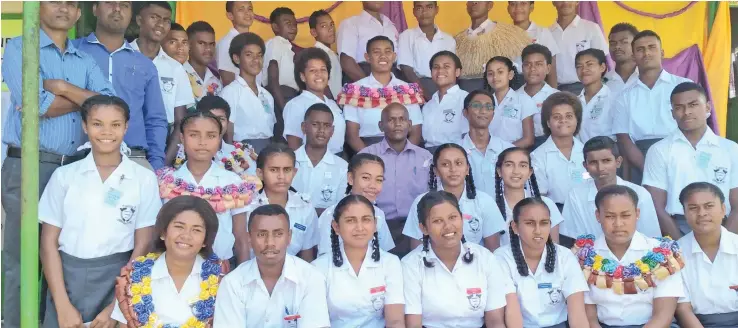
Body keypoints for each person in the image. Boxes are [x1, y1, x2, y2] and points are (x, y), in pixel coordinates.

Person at [1, 3, 115, 326]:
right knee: (21, 258)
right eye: (55, 0)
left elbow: (107, 105)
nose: (64, 7)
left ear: (80, 15)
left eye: (71, 3)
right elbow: (37, 104)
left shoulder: (84, 58)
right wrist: (83, 99)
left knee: (61, 257)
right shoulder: (20, 47)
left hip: (75, 168)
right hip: (30, 167)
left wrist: (62, 87)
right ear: (37, 8)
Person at [38, 95, 160, 328]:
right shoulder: (65, 176)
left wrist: (117, 306)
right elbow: (48, 243)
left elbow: (143, 244)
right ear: (84, 126)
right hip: (66, 281)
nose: (107, 132)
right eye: (97, 124)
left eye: (115, 124)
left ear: (126, 126)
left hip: (119, 280)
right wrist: (62, 305)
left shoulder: (143, 178)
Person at [402, 191, 522, 328]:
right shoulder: (410, 265)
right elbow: (413, 324)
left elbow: (495, 322)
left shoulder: (485, 258)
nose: (448, 226)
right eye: (437, 221)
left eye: (453, 217)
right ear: (423, 228)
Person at [73, 0, 168, 170]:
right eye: (109, 3)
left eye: (124, 5)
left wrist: (156, 165)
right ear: (95, 9)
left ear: (131, 14)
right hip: (80, 159)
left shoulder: (145, 65)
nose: (117, 9)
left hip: (134, 159)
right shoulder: (73, 52)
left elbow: (155, 120)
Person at [574, 185, 685, 328]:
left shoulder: (661, 254)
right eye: (609, 216)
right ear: (598, 216)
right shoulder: (585, 257)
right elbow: (589, 317)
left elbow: (663, 316)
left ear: (637, 213)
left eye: (625, 215)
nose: (618, 224)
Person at [156, 111, 254, 265]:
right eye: (194, 135)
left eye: (211, 136)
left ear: (219, 138)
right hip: (174, 266)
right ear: (182, 138)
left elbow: (241, 237)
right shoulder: (167, 181)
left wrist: (243, 276)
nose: (202, 142)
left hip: (221, 267)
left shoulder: (233, 182)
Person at [644, 82, 738, 239]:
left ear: (708, 107)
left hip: (725, 227)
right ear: (672, 113)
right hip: (677, 228)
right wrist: (680, 246)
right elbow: (656, 206)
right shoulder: (659, 150)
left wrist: (725, 243)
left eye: (693, 104)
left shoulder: (731, 149)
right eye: (679, 107)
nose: (686, 112)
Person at [111, 196, 224, 327]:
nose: (186, 235)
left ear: (205, 240)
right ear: (163, 232)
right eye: (179, 226)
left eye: (196, 230)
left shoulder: (221, 279)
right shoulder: (132, 278)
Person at [214, 204, 330, 328]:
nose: (270, 243)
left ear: (289, 237)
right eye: (261, 234)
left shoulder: (311, 278)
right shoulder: (233, 283)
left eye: (278, 234)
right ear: (249, 238)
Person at [612, 30, 692, 185]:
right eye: (640, 49)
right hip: (639, 158)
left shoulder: (684, 86)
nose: (646, 53)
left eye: (651, 47)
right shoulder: (624, 96)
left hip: (680, 154)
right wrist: (648, 168)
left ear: (662, 52)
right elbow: (623, 138)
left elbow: (695, 125)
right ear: (633, 56)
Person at [495, 198, 589, 328]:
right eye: (530, 223)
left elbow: (577, 314)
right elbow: (512, 312)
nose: (538, 230)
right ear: (515, 227)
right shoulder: (501, 258)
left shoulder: (565, 257)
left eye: (544, 223)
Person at [312, 195, 405, 328]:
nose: (359, 228)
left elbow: (395, 321)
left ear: (375, 225)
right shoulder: (318, 268)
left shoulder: (390, 263)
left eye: (366, 220)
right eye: (350, 221)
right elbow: (318, 323)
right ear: (336, 227)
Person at [359, 103, 433, 257]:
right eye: (391, 120)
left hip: (416, 227)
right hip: (378, 225)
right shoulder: (366, 156)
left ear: (410, 124)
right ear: (381, 126)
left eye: (402, 119)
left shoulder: (426, 157)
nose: (398, 124)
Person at [403, 143, 506, 252]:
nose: (453, 169)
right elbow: (416, 251)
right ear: (436, 171)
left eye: (459, 163)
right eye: (445, 164)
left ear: (467, 169)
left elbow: (493, 251)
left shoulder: (484, 201)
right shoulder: (421, 202)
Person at [562, 137, 661, 245]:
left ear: (618, 162)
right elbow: (577, 240)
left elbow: (651, 238)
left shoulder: (640, 194)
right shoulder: (576, 196)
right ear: (585, 166)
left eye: (606, 161)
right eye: (593, 162)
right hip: (591, 258)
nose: (600, 168)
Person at [340, 36, 424, 151]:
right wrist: (370, 159)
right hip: (367, 150)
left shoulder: (408, 90)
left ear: (394, 57)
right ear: (367, 57)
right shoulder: (354, 90)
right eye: (376, 52)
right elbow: (352, 136)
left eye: (388, 52)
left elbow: (416, 133)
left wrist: (402, 156)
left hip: (403, 150)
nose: (383, 56)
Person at [674, 182, 738, 327]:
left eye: (709, 206)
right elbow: (683, 308)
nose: (702, 213)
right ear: (684, 213)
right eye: (693, 208)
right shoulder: (675, 252)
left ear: (723, 209)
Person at [245, 144, 320, 262]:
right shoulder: (247, 206)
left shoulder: (305, 207)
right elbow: (242, 250)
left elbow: (307, 255)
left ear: (294, 172)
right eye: (274, 170)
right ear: (260, 173)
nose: (281, 176)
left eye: (287, 170)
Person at [131, 2, 195, 133]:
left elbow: (180, 123)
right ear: (139, 20)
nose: (160, 24)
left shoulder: (176, 68)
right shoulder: (122, 58)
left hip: (164, 141)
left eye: (166, 20)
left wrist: (167, 154)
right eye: (154, 17)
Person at [317, 153, 395, 257]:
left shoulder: (379, 214)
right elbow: (325, 258)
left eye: (379, 180)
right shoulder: (330, 214)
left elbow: (386, 253)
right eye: (366, 178)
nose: (373, 185)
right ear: (350, 178)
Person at [168, 96, 258, 181]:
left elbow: (253, 185)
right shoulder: (182, 153)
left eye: (221, 119)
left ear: (228, 122)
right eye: (211, 118)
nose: (216, 124)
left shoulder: (242, 153)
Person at [455, 1, 530, 92]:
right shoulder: (457, 40)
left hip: (499, 94)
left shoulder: (510, 34)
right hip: (466, 94)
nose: (474, 2)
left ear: (489, 5)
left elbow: (520, 72)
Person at [494, 147, 563, 245]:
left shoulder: (546, 204)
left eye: (522, 165)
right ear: (499, 171)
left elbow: (554, 247)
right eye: (509, 165)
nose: (516, 171)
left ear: (530, 172)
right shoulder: (490, 205)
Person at [283, 48, 346, 155]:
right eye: (313, 70)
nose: (319, 74)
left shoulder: (332, 104)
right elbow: (294, 145)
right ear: (303, 76)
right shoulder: (295, 105)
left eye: (323, 70)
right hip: (312, 163)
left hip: (338, 160)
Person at [220, 32, 275, 153]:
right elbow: (228, 130)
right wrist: (232, 157)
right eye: (249, 55)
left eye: (259, 55)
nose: (256, 60)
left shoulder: (267, 95)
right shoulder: (230, 92)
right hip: (242, 152)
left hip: (266, 151)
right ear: (237, 58)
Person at [531, 92, 585, 210]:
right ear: (548, 123)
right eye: (556, 117)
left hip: (587, 211)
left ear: (577, 120)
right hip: (554, 213)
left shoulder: (587, 153)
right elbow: (540, 198)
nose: (563, 120)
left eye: (569, 116)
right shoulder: (537, 156)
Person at [292, 104, 349, 213]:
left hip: (325, 226)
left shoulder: (342, 167)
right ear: (304, 127)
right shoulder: (289, 162)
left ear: (332, 131)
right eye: (315, 124)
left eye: (327, 126)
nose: (321, 130)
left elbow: (341, 208)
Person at [460, 90, 514, 196]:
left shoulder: (508, 150)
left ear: (493, 115)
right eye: (476, 105)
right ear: (465, 113)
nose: (483, 111)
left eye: (488, 107)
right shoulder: (456, 151)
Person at [398, 1, 456, 100]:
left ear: (436, 10)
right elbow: (407, 69)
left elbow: (452, 71)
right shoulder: (406, 36)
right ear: (414, 12)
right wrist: (424, 93)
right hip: (416, 88)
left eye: (429, 7)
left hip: (443, 87)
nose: (424, 12)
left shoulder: (448, 39)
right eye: (419, 8)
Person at [549, 1, 607, 95]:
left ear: (577, 1)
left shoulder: (591, 28)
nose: (565, 3)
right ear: (553, 2)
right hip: (556, 89)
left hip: (584, 88)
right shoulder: (548, 32)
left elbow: (601, 60)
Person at [337, 1, 399, 82]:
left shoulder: (391, 25)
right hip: (362, 78)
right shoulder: (351, 24)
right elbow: (346, 61)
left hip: (392, 79)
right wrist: (369, 87)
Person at [421, 51, 469, 154]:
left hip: (456, 153)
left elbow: (469, 135)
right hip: (428, 154)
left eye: (446, 66)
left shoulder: (465, 99)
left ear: (457, 72)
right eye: (436, 67)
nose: (440, 71)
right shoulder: (428, 105)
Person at [263, 7, 300, 138]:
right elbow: (273, 78)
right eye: (288, 23)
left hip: (289, 99)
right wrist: (284, 109)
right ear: (275, 27)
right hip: (281, 99)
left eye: (295, 24)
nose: (293, 27)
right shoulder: (276, 42)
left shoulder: (288, 47)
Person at [485, 56, 536, 149]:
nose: (495, 77)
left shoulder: (523, 100)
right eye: (490, 74)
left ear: (510, 75)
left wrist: (504, 151)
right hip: (489, 154)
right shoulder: (484, 103)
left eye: (500, 72)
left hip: (515, 155)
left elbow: (528, 139)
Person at [507, 1, 559, 87]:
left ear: (531, 7)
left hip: (537, 81)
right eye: (513, 4)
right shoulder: (503, 35)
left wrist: (553, 92)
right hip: (510, 83)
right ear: (508, 8)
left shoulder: (542, 32)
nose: (518, 8)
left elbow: (552, 66)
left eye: (523, 3)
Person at [516, 44, 559, 149]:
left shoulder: (556, 97)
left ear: (548, 68)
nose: (532, 69)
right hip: (520, 149)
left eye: (538, 64)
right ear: (522, 68)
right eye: (527, 64)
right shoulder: (513, 97)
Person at [576, 48, 615, 143]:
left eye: (589, 64)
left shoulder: (613, 99)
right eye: (579, 66)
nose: (584, 70)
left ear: (602, 67)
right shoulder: (574, 102)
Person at [217, 1, 254, 87]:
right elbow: (228, 79)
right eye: (241, 9)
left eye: (250, 9)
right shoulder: (226, 42)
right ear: (230, 15)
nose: (247, 13)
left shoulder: (254, 42)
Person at [184, 21, 223, 102]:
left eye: (212, 44)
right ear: (188, 45)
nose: (208, 49)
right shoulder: (179, 75)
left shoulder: (216, 81)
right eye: (201, 43)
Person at [309, 10, 342, 98]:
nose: (330, 29)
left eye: (331, 24)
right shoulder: (316, 55)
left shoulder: (332, 54)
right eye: (324, 26)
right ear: (314, 32)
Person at [605, 23, 639, 97]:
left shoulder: (647, 78)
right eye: (613, 43)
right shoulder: (604, 82)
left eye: (624, 42)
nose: (617, 46)